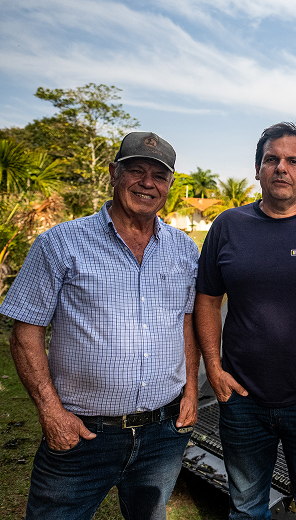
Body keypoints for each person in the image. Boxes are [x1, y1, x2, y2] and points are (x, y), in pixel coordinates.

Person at [1, 132, 200, 519]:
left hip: (163, 433)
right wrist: (51, 412)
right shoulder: (61, 243)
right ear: (113, 173)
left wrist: (191, 390)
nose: (147, 183)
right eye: (136, 171)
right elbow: (25, 332)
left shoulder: (183, 249)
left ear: (170, 184)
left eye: (159, 175)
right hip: (83, 434)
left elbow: (185, 324)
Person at [194, 122, 296, 519]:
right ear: (257, 169)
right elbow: (208, 301)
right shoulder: (228, 226)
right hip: (242, 400)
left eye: (293, 161)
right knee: (246, 509)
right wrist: (213, 368)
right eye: (271, 159)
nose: (281, 168)